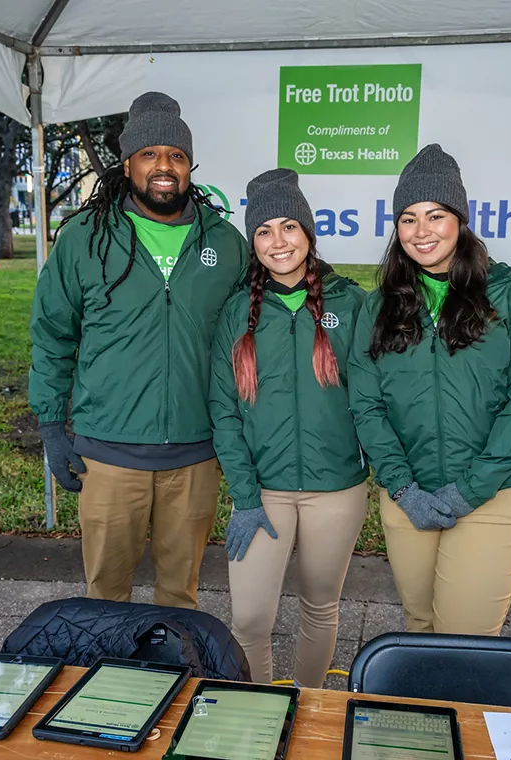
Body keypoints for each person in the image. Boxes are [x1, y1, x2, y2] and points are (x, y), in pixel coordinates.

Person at [29, 91, 248, 609]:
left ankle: (175, 683)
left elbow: (248, 339)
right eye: (149, 154)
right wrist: (50, 427)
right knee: (105, 598)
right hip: (107, 454)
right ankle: (105, 688)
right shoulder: (85, 238)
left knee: (181, 597)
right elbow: (53, 335)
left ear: (190, 166)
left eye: (175, 155)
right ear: (127, 164)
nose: (163, 166)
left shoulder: (226, 242)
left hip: (196, 455)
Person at [348, 144, 511, 636]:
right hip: (408, 495)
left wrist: (469, 491)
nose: (421, 232)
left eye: (435, 216)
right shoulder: (379, 305)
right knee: (418, 626)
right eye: (408, 218)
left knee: (463, 638)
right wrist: (401, 485)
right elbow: (366, 403)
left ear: (460, 220)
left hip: (492, 495)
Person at [209, 169, 367, 686]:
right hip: (263, 494)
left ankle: (308, 705)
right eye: (264, 231)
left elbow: (374, 397)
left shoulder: (351, 302)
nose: (278, 241)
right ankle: (258, 709)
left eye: (289, 227)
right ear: (252, 242)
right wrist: (245, 495)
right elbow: (223, 410)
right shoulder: (237, 312)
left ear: (308, 232)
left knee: (320, 607)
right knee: (251, 619)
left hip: (336, 491)